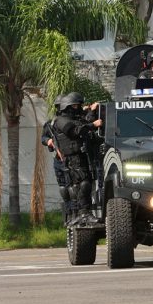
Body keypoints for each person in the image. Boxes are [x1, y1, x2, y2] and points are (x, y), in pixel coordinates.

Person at [53, 92, 103, 225]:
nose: (78, 108)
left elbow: (85, 123)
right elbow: (75, 131)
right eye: (75, 106)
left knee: (85, 183)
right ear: (67, 107)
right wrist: (93, 125)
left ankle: (82, 214)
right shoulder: (61, 121)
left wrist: (92, 112)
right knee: (83, 183)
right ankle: (83, 214)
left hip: (81, 156)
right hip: (73, 158)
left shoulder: (74, 119)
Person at [41, 94, 72, 222]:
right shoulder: (50, 124)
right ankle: (69, 209)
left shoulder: (73, 122)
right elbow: (43, 138)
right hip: (59, 160)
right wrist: (49, 141)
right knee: (63, 185)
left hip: (73, 158)